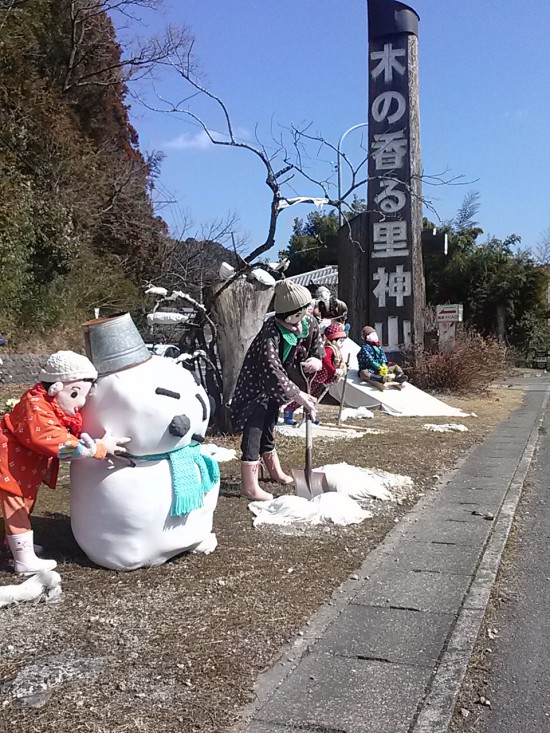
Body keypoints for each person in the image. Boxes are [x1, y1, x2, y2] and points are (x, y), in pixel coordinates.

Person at [0, 351, 129, 575]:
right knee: (16, 508)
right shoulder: (38, 411)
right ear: (56, 388)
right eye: (75, 394)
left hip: (18, 465)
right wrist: (98, 449)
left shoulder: (40, 403)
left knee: (23, 505)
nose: (79, 403)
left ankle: (17, 546)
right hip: (7, 464)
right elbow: (58, 443)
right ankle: (23, 559)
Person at [231, 280, 324, 501]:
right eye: (300, 312)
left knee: (270, 423)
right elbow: (270, 368)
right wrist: (297, 394)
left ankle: (274, 470)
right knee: (255, 428)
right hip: (256, 387)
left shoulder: (308, 323)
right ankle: (250, 485)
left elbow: (317, 343)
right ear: (288, 314)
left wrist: (317, 360)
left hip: (279, 387)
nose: (305, 314)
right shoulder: (270, 332)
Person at [283, 322, 348, 425]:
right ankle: (289, 411)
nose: (342, 343)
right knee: (306, 397)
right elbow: (326, 362)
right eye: (340, 340)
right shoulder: (329, 349)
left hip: (322, 380)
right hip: (316, 378)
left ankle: (310, 416)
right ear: (333, 340)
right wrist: (334, 371)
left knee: (314, 398)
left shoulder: (336, 351)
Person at [358, 326, 408, 391]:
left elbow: (383, 356)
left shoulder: (378, 346)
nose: (375, 336)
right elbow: (369, 359)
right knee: (364, 373)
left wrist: (384, 365)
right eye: (373, 334)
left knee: (395, 366)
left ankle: (399, 376)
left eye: (375, 334)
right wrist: (378, 367)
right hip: (370, 368)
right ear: (367, 337)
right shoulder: (364, 348)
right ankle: (381, 379)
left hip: (381, 368)